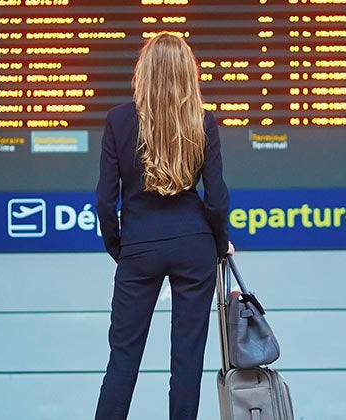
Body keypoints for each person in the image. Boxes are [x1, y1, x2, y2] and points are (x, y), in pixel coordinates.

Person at [94, 33, 233, 420]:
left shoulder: (118, 120)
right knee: (187, 362)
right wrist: (220, 244)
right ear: (188, 74)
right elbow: (217, 199)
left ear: (144, 72)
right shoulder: (202, 121)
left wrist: (121, 249)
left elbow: (105, 201)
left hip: (139, 246)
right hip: (194, 247)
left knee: (123, 358)